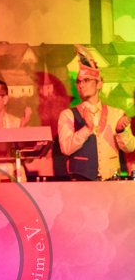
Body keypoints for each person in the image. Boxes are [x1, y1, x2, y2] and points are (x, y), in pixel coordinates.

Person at [58, 45, 135, 180]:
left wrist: (120, 131)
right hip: (81, 181)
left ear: (99, 84)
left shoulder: (116, 114)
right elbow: (65, 148)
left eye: (86, 80)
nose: (81, 85)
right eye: (78, 82)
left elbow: (130, 148)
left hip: (111, 181)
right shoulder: (68, 115)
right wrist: (86, 129)